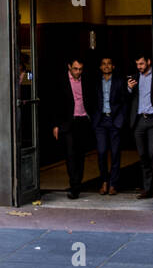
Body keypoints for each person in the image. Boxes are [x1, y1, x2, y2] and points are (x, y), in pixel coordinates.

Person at [48, 57, 94, 199]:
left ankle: (77, 184)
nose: (78, 72)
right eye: (75, 69)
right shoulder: (61, 81)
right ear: (69, 67)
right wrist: (55, 124)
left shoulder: (86, 80)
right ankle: (74, 186)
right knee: (70, 155)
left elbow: (91, 98)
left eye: (80, 69)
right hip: (68, 123)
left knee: (80, 155)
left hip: (83, 121)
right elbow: (55, 103)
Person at [90, 57, 129, 195]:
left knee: (115, 153)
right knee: (101, 152)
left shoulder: (119, 81)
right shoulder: (95, 82)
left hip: (114, 121)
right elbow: (91, 101)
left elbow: (125, 101)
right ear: (100, 67)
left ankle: (113, 184)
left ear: (113, 67)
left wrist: (121, 119)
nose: (106, 66)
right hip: (100, 122)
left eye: (109, 64)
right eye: (104, 64)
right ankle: (104, 182)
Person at [126, 55, 153, 199]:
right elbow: (126, 98)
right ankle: (147, 188)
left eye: (142, 63)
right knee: (142, 155)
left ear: (148, 62)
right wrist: (129, 89)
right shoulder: (134, 77)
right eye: (137, 64)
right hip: (139, 120)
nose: (139, 66)